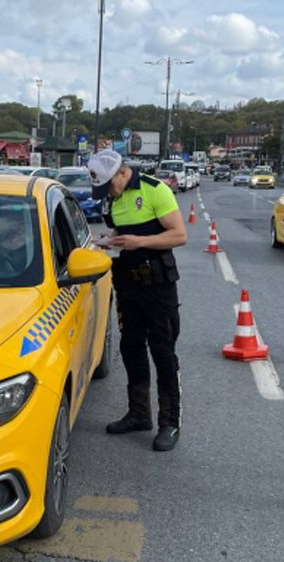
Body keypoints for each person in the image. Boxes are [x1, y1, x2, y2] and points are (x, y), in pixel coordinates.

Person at [88, 149, 187, 452]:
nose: (109, 193)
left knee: (163, 351)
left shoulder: (155, 190)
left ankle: (170, 422)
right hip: (127, 284)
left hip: (157, 285)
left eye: (110, 186)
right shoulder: (113, 198)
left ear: (122, 172)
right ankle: (139, 413)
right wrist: (111, 239)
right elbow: (124, 230)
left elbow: (179, 235)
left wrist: (139, 242)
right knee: (130, 347)